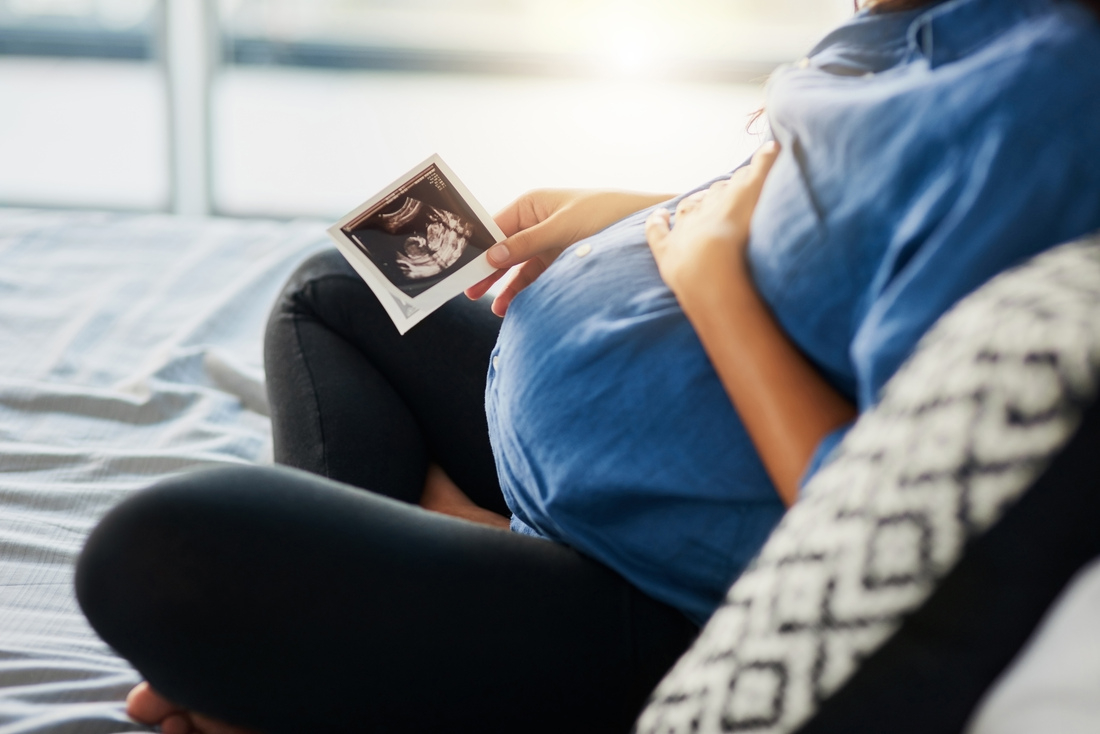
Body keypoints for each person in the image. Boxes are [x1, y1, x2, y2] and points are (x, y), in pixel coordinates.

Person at [75, 0, 1100, 732]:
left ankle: (331, 639)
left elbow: (877, 520)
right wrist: (641, 211)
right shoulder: (920, 23)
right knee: (331, 295)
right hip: (577, 474)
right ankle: (377, 600)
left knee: (159, 553)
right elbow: (841, 228)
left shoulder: (1042, 94)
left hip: (659, 594)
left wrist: (710, 279)